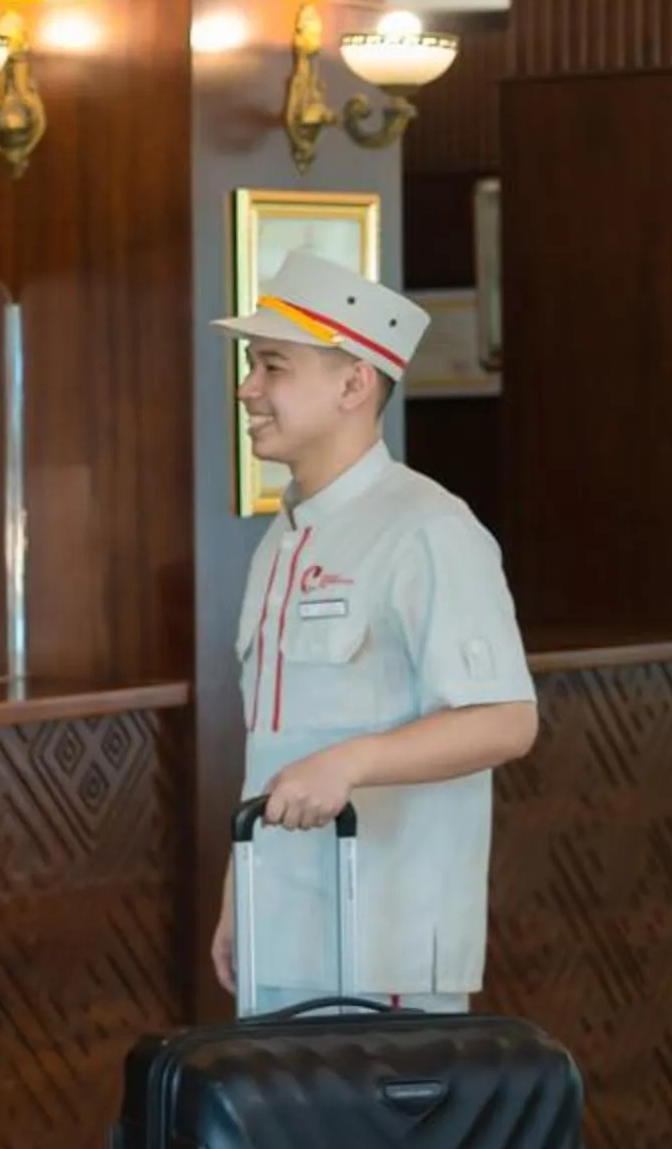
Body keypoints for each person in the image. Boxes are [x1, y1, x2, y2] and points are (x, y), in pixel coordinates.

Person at [212, 251, 539, 1013]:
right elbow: (277, 740)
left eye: (273, 366)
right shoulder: (285, 536)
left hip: (379, 940)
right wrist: (240, 894)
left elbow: (507, 719)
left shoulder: (428, 528)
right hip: (280, 927)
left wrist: (351, 763)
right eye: (252, 365)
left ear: (354, 384)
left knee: (368, 1137)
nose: (247, 388)